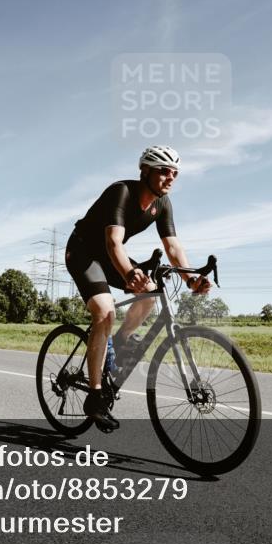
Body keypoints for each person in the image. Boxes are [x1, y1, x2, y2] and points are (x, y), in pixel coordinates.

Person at [65, 145, 211, 432]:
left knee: (151, 292)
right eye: (163, 171)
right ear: (144, 170)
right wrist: (130, 273)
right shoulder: (122, 192)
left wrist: (190, 279)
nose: (170, 177)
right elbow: (113, 243)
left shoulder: (163, 204)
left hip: (109, 256)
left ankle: (119, 341)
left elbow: (172, 246)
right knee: (105, 311)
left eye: (175, 173)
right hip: (84, 251)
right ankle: (94, 397)